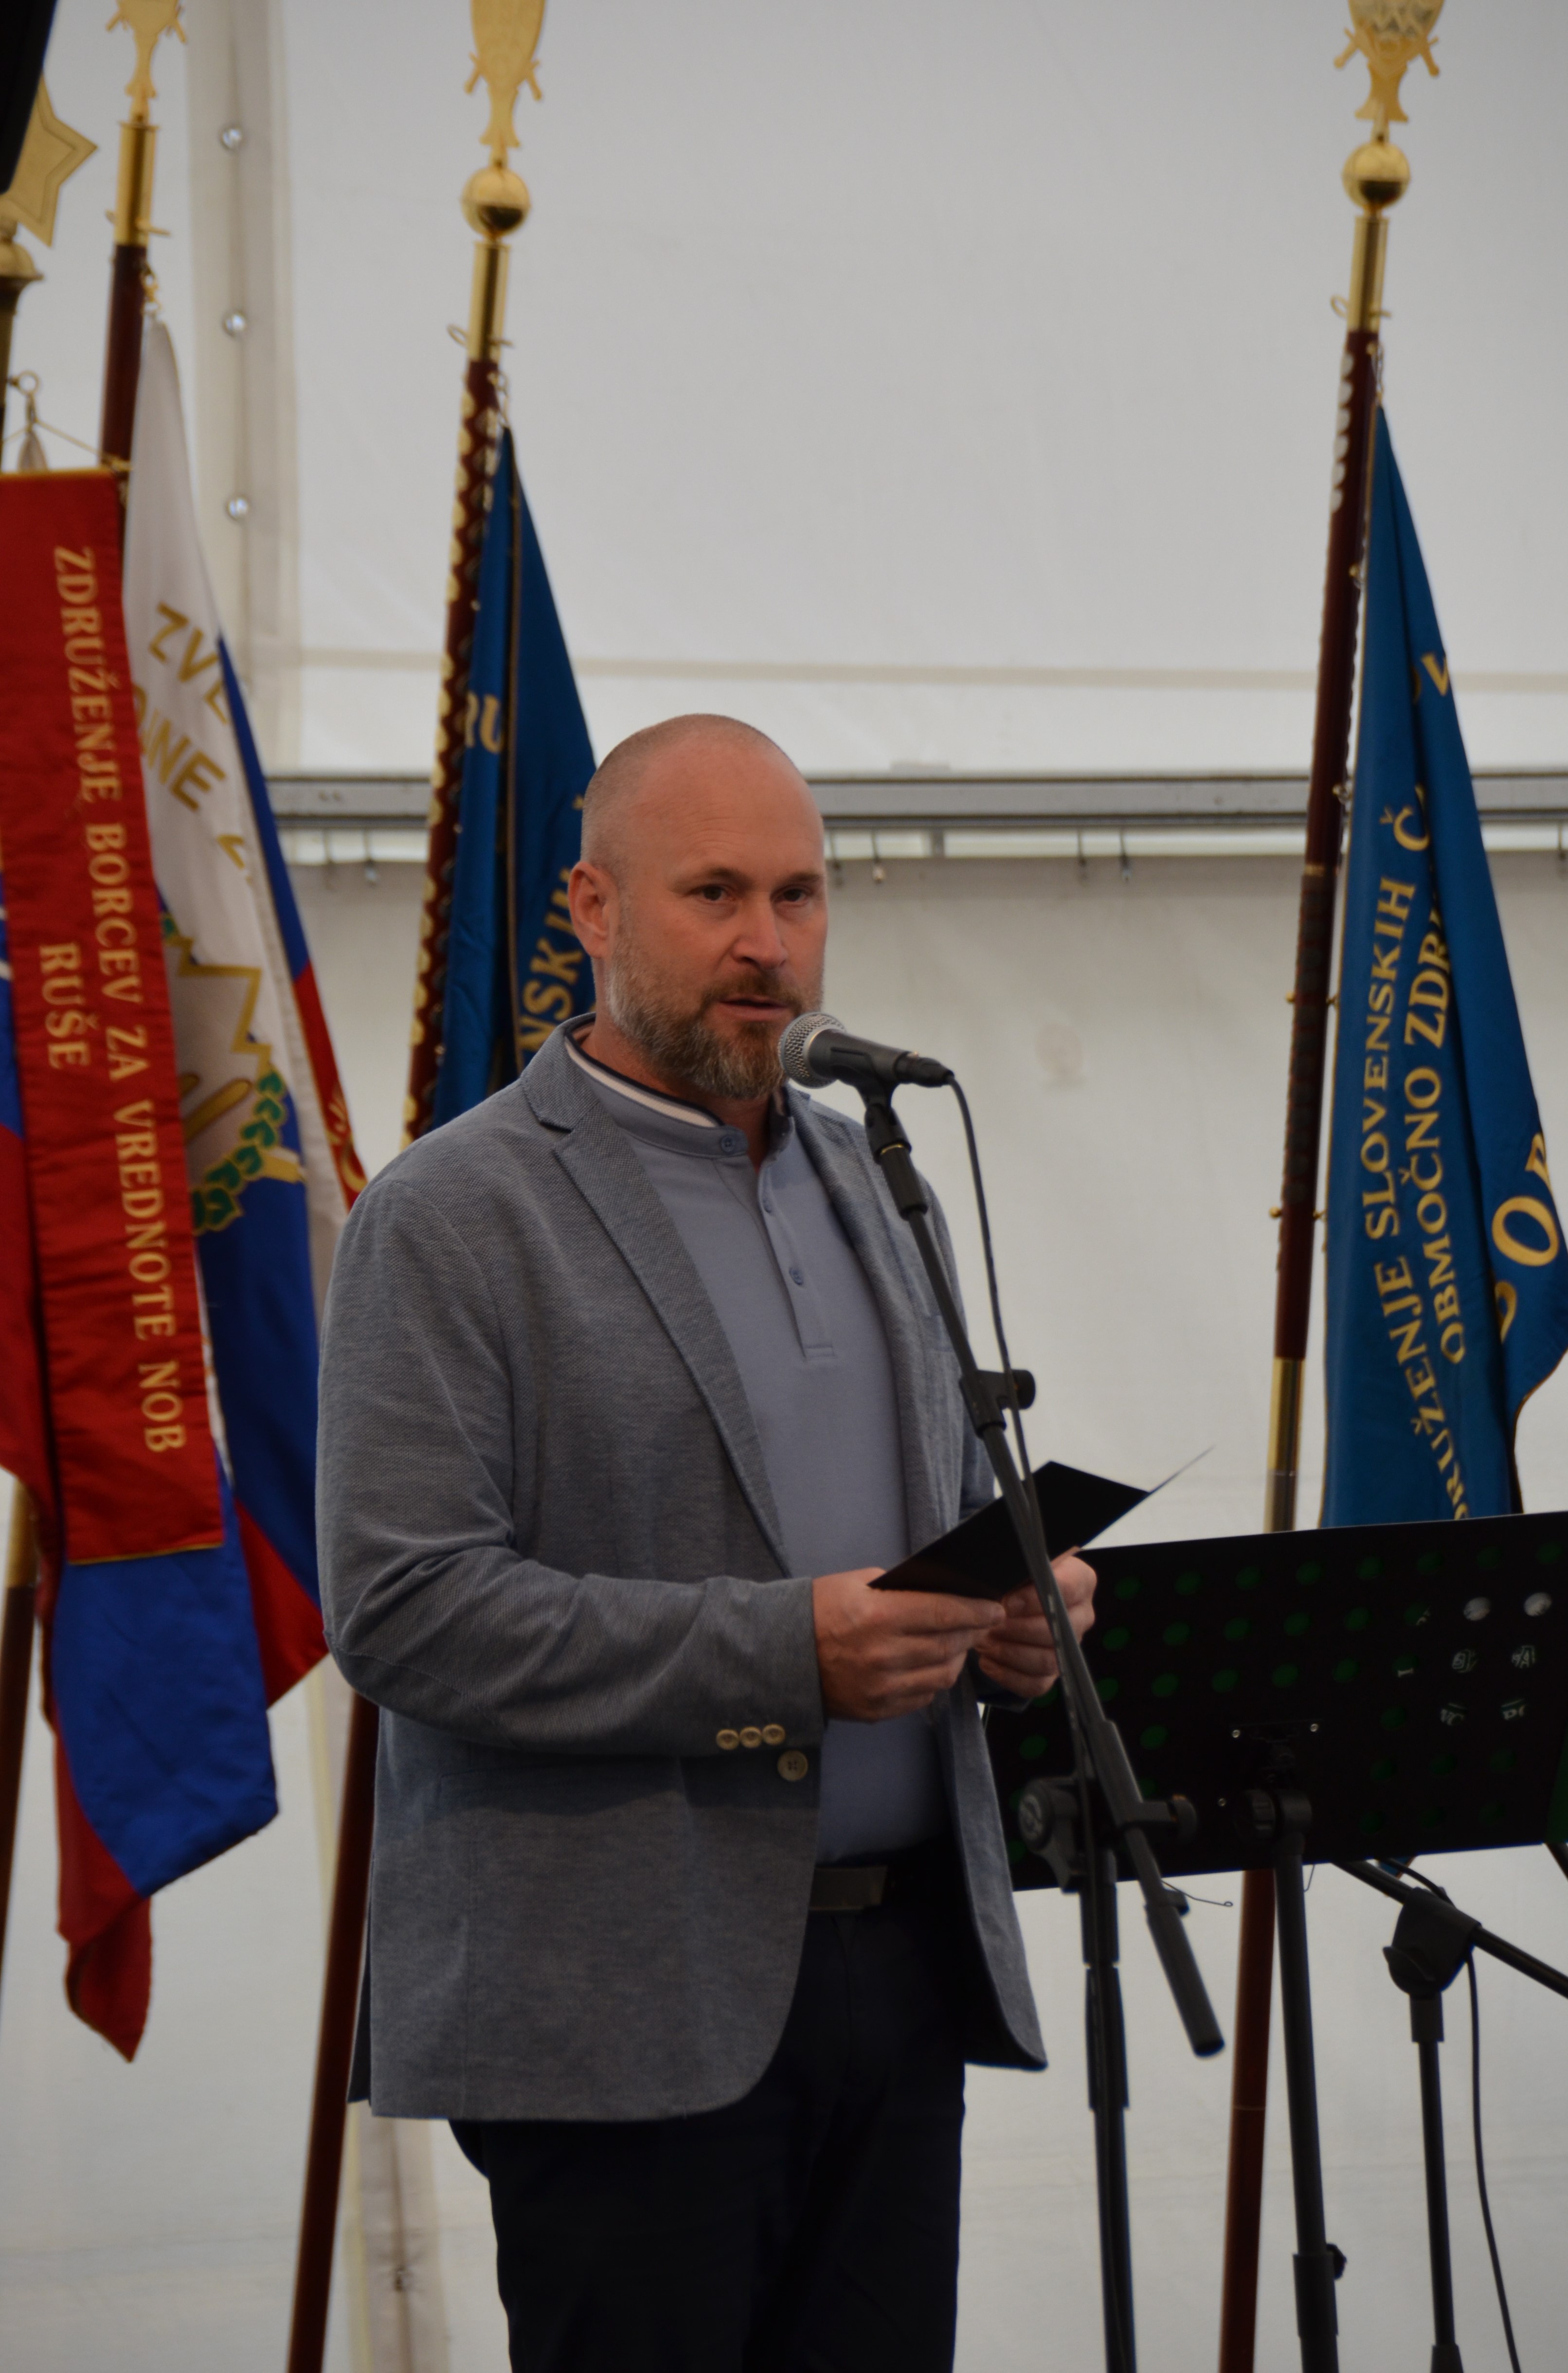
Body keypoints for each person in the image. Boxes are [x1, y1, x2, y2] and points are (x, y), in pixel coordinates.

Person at [318, 712, 1097, 2372]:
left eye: (800, 894)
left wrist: (1012, 1617)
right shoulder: (449, 1215)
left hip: (904, 1970)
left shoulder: (874, 1179)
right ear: (593, 909)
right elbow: (405, 1609)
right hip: (617, 2007)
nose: (768, 943)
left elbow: (916, 1522)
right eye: (717, 894)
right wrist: (786, 1652)